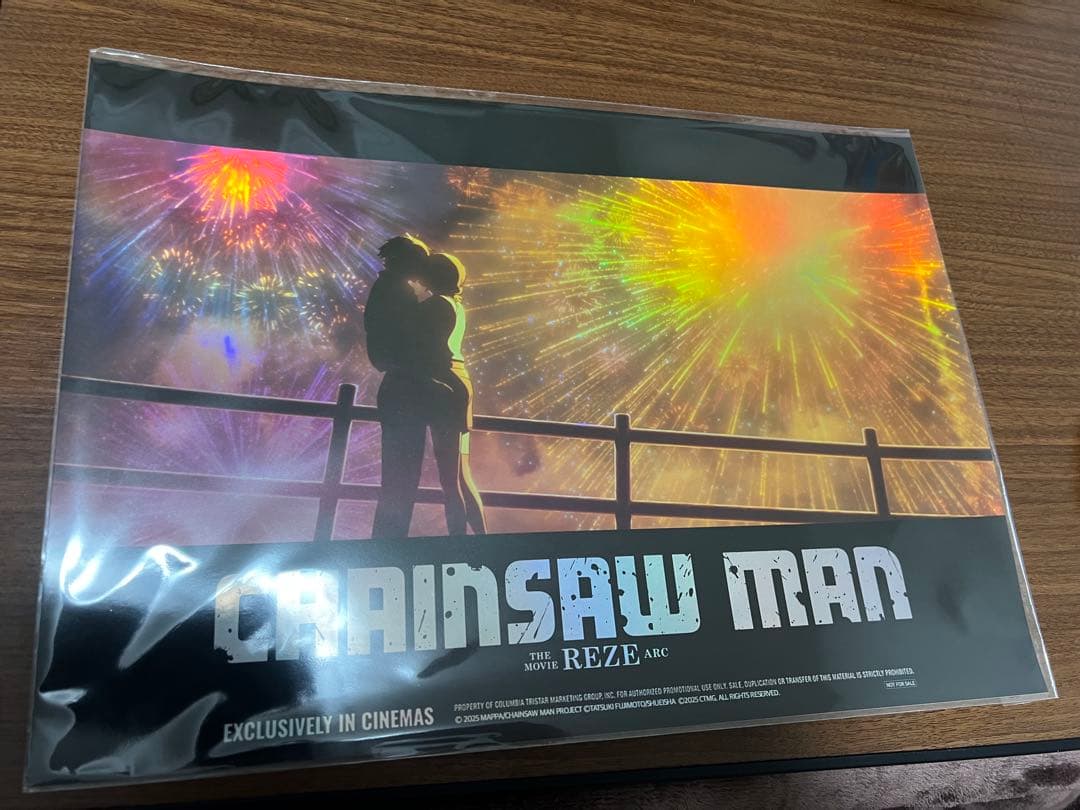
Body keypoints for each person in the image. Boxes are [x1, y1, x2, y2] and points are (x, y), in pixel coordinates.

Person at [413, 253, 487, 535]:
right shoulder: (456, 305)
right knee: (462, 474)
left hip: (445, 384)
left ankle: (458, 542)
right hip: (460, 380)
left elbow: (432, 351)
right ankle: (482, 539)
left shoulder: (434, 306)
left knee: (449, 479)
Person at [365, 234, 431, 539]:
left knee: (395, 476)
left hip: (395, 388)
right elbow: (412, 342)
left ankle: (387, 539)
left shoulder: (385, 289)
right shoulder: (400, 293)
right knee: (403, 476)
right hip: (405, 389)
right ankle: (392, 540)